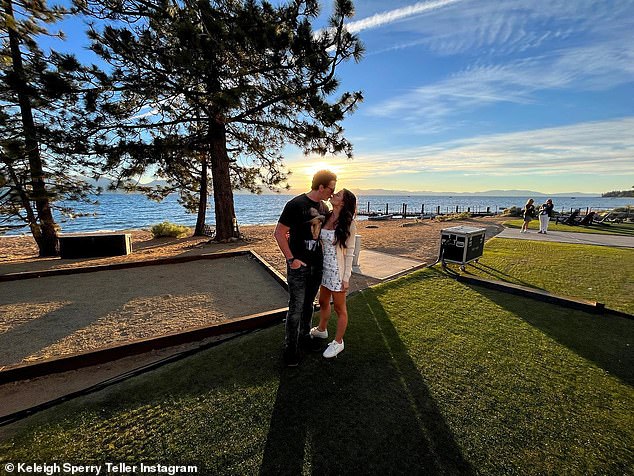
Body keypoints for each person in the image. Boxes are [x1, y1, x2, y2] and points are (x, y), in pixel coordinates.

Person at [274, 170, 337, 367]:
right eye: (331, 188)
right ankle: (290, 348)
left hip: (316, 266)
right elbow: (279, 233)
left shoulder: (324, 207)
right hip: (298, 266)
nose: (332, 193)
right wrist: (291, 259)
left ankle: (304, 337)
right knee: (295, 307)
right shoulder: (295, 204)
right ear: (321, 187)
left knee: (309, 304)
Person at [309, 188, 357, 359]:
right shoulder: (327, 216)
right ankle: (322, 330)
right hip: (324, 268)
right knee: (322, 301)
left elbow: (350, 252)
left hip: (338, 271)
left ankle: (338, 342)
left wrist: (346, 278)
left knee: (339, 308)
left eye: (337, 195)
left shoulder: (349, 223)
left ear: (343, 202)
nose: (333, 195)